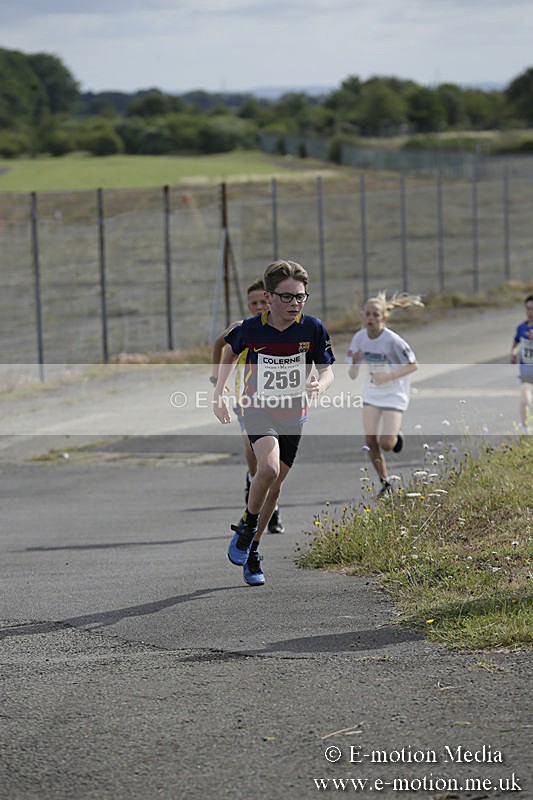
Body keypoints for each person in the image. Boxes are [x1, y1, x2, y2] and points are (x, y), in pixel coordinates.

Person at [213, 259, 335, 586]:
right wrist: (220, 392)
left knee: (275, 487)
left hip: (293, 415)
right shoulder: (252, 329)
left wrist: (319, 386)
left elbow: (327, 370)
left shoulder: (312, 328)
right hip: (257, 409)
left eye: (300, 296)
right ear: (269, 297)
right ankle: (248, 525)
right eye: (287, 297)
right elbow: (229, 352)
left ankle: (252, 549)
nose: (294, 303)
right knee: (266, 470)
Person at [210, 279, 284, 533]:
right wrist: (216, 377)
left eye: (262, 302)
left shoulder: (284, 328)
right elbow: (220, 344)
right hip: (247, 400)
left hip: (279, 402)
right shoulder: (242, 328)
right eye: (253, 303)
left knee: (275, 460)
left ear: (271, 300)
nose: (258, 306)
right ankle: (260, 492)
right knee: (252, 450)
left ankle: (270, 500)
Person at [346, 291, 423, 499]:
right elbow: (352, 374)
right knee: (370, 440)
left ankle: (395, 435)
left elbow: (413, 365)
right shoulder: (359, 338)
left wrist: (389, 376)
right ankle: (385, 481)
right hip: (372, 392)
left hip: (393, 392)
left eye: (375, 315)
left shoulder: (392, 341)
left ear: (384, 318)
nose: (371, 319)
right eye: (368, 314)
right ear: (363, 315)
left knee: (386, 444)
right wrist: (355, 362)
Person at [510, 294, 533, 434]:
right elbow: (516, 341)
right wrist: (513, 353)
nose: (530, 312)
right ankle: (526, 430)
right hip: (527, 373)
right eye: (528, 309)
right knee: (525, 399)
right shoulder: (521, 328)